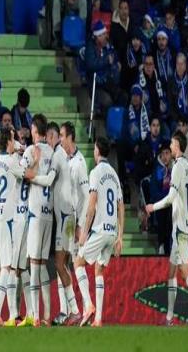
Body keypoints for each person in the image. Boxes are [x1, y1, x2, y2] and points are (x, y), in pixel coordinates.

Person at [146, 131, 188, 326]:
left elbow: (170, 198)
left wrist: (152, 207)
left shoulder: (177, 168)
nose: (170, 146)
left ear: (178, 146)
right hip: (186, 227)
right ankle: (169, 318)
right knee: (172, 271)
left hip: (180, 230)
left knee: (185, 271)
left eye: (172, 144)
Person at [29, 123, 81, 326]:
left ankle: (75, 310)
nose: (50, 140)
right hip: (67, 216)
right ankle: (71, 311)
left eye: (53, 136)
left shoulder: (58, 155)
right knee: (64, 265)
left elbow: (49, 179)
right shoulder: (61, 156)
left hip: (65, 216)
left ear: (53, 137)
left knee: (59, 264)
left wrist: (32, 177)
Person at [0, 127, 39, 326]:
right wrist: (35, 159)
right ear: (9, 141)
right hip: (8, 219)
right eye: (13, 137)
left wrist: (15, 148)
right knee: (7, 268)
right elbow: (31, 174)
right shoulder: (13, 162)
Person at [75, 136, 124, 327]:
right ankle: (98, 319)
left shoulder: (95, 172)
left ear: (97, 151)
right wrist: (120, 237)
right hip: (112, 233)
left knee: (78, 263)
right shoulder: (114, 175)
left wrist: (84, 232)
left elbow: (91, 205)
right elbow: (120, 206)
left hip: (100, 229)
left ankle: (88, 305)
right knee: (99, 270)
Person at [20, 115, 54, 327]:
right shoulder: (52, 151)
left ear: (34, 130)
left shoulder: (31, 150)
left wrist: (31, 168)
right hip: (49, 213)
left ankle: (35, 316)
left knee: (33, 264)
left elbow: (21, 172)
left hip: (34, 213)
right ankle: (47, 315)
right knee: (42, 264)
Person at [84, 21, 123, 117]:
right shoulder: (90, 47)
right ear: (97, 37)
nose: (106, 36)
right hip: (96, 84)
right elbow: (91, 65)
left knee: (123, 96)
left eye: (106, 34)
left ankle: (116, 120)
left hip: (108, 82)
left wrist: (116, 66)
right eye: (103, 34)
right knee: (107, 101)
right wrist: (106, 61)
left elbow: (114, 60)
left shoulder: (108, 46)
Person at [149, 141, 174, 254]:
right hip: (162, 205)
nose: (165, 156)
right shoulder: (157, 171)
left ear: (171, 154)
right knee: (162, 213)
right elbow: (154, 192)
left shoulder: (176, 169)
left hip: (174, 205)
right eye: (162, 154)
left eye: (167, 153)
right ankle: (162, 245)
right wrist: (165, 200)